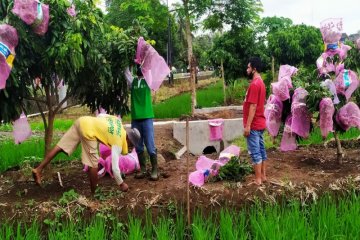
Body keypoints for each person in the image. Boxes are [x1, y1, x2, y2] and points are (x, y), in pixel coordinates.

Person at [32, 114, 141, 194]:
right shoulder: (118, 142)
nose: (130, 146)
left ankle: (38, 169)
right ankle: (94, 194)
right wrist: (122, 184)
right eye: (131, 144)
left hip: (82, 121)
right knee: (93, 163)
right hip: (89, 132)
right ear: (129, 140)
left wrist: (100, 130)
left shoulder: (117, 122)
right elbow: (115, 168)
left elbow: (101, 116)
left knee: (60, 147)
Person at [125, 64, 159, 181]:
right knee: (138, 145)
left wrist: (146, 61)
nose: (140, 69)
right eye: (138, 66)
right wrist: (127, 60)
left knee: (150, 145)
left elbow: (150, 69)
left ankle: (155, 169)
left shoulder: (148, 81)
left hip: (147, 118)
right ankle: (143, 169)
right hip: (135, 119)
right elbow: (126, 73)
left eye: (142, 67)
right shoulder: (132, 82)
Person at [243, 57, 267, 185]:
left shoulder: (254, 85)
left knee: (255, 152)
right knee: (262, 150)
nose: (247, 69)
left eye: (248, 67)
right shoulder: (261, 83)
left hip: (254, 124)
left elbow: (252, 106)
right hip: (260, 122)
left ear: (254, 69)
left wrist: (247, 126)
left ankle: (257, 180)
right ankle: (263, 176)